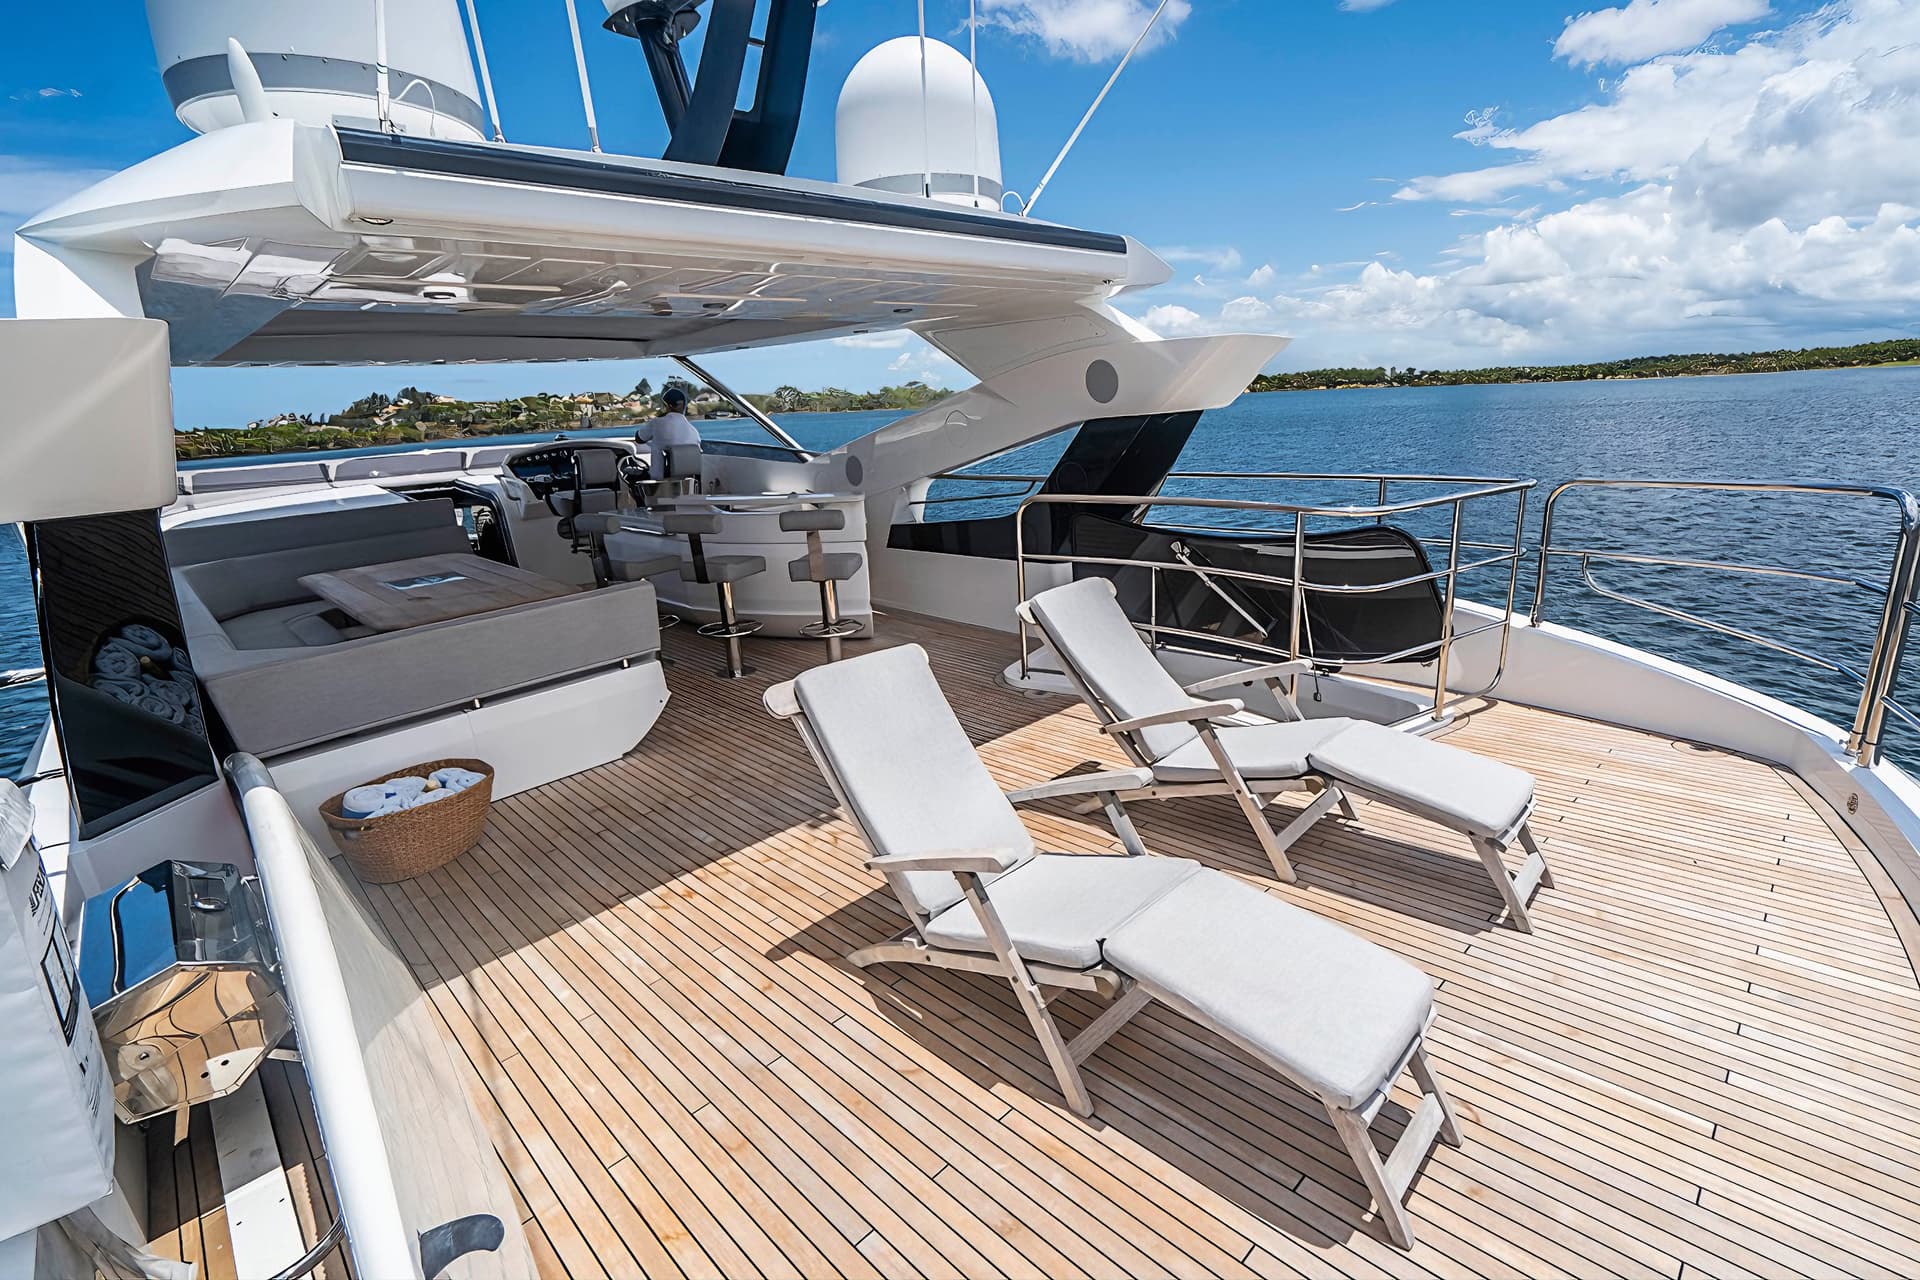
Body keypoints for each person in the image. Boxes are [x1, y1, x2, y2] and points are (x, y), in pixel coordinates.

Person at [635, 386, 702, 477]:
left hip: (659, 482)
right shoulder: (694, 432)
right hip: (689, 483)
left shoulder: (657, 423)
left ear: (668, 406)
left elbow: (639, 438)